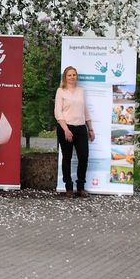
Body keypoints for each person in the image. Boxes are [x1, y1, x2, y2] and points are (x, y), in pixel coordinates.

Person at [54, 66, 95, 198]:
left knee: (83, 157)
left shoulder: (81, 91)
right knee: (67, 158)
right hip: (65, 128)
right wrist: (66, 129)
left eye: (74, 75)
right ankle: (69, 188)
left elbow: (85, 110)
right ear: (65, 77)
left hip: (81, 128)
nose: (72, 77)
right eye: (69, 75)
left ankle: (81, 187)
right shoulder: (61, 91)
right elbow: (58, 112)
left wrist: (91, 128)